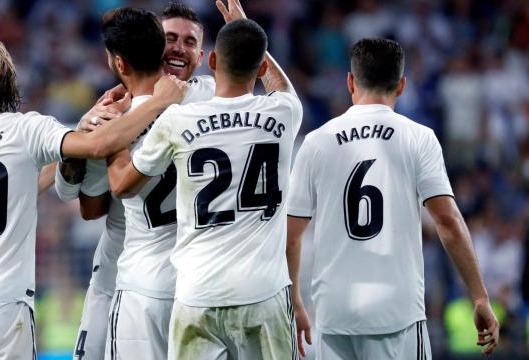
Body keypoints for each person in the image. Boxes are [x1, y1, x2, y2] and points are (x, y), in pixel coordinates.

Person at [0, 37, 187, 359]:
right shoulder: (27, 130)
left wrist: (82, 127)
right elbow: (99, 147)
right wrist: (158, 104)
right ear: (9, 80)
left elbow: (13, 186)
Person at [110, 1, 308, 358]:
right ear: (261, 64)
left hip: (196, 293)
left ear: (210, 60)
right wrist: (247, 30)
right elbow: (281, 88)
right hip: (263, 292)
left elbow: (120, 185)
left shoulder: (175, 120)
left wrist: (113, 131)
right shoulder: (284, 113)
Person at [286, 38, 500, 359]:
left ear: (350, 82)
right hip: (395, 314)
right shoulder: (419, 137)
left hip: (334, 315)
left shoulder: (315, 143)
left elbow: (291, 237)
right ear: (401, 86)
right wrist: (480, 297)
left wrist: (297, 303)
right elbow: (447, 221)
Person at [54, 4, 213, 360]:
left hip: (151, 282)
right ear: (154, 46)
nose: (178, 49)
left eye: (189, 42)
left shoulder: (109, 124)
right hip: (128, 276)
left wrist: (96, 135)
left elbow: (86, 203)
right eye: (170, 39)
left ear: (202, 56)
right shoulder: (209, 101)